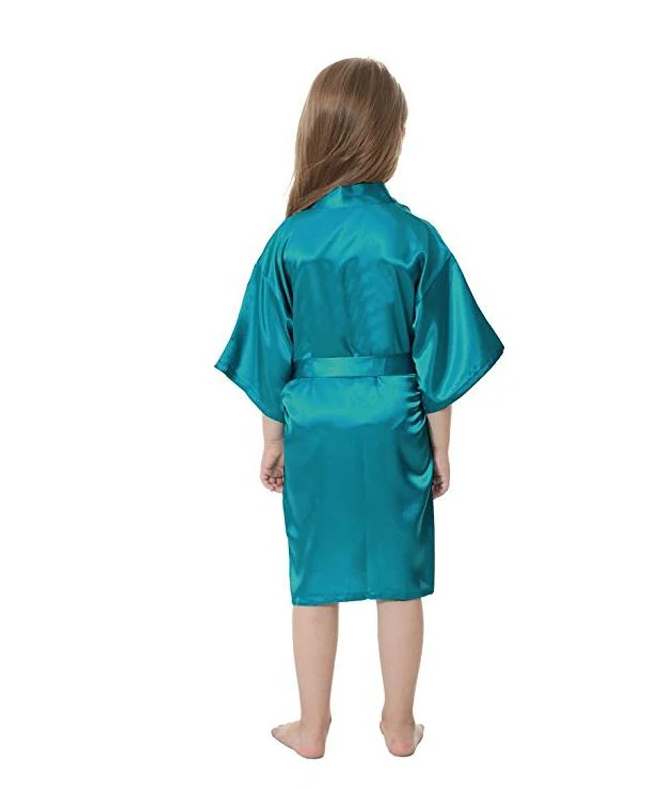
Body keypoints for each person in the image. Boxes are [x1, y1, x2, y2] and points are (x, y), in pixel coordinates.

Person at [214, 57, 504, 758]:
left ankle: (312, 727)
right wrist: (440, 447)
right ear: (390, 136)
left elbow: (270, 354)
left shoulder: (290, 239)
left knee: (314, 577)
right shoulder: (416, 238)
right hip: (395, 414)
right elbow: (438, 355)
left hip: (314, 419)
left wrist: (273, 440)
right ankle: (400, 726)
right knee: (400, 578)